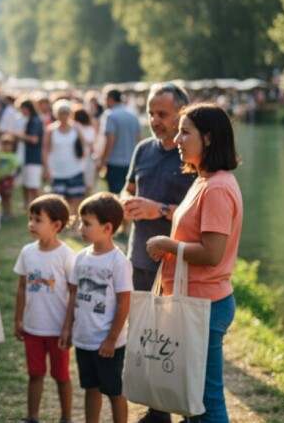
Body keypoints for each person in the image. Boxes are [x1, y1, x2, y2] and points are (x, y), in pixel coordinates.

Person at [146, 103, 242, 423]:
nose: (177, 139)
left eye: (185, 132)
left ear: (209, 138)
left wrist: (167, 245)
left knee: (207, 400)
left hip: (204, 305)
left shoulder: (217, 187)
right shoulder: (204, 180)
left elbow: (212, 254)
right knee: (191, 396)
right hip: (193, 301)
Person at [121, 83, 196, 423]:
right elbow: (127, 188)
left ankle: (190, 411)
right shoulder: (143, 149)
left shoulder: (191, 154)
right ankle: (157, 411)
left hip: (177, 263)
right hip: (139, 257)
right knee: (147, 339)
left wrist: (160, 210)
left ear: (182, 113)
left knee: (178, 339)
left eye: (162, 114)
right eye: (151, 113)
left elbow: (199, 214)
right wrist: (125, 201)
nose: (155, 120)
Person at [60, 192, 133, 423]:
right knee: (90, 388)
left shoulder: (119, 262)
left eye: (87, 223)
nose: (81, 228)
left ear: (107, 228)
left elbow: (124, 302)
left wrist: (111, 339)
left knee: (114, 391)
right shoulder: (81, 258)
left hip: (107, 343)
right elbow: (73, 295)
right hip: (84, 339)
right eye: (81, 222)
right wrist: (67, 328)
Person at [14, 194, 76, 423]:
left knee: (61, 376)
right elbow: (22, 288)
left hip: (57, 330)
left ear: (56, 225)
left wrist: (68, 326)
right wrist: (18, 320)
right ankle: (32, 417)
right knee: (35, 374)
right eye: (30, 218)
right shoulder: (27, 252)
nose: (31, 224)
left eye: (38, 220)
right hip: (33, 328)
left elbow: (74, 293)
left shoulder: (66, 256)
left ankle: (66, 418)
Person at [43, 100, 86, 218]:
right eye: (61, 113)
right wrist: (46, 167)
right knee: (60, 200)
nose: (63, 116)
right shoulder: (51, 130)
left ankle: (74, 222)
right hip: (57, 169)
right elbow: (46, 149)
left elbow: (85, 144)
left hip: (75, 167)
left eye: (66, 113)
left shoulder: (76, 128)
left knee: (75, 199)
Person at [98, 89, 140, 195]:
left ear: (110, 99)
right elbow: (139, 138)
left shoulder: (110, 115)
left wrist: (103, 161)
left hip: (115, 164)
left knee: (116, 196)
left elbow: (110, 141)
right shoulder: (132, 114)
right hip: (131, 162)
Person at [16, 98, 44, 208]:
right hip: (29, 157)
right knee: (28, 184)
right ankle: (29, 205)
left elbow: (34, 139)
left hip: (33, 158)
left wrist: (20, 136)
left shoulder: (35, 121)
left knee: (34, 185)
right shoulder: (31, 120)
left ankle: (39, 206)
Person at [0, 134, 19, 220]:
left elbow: (15, 168)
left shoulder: (12, 156)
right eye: (4, 145)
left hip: (8, 179)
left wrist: (10, 175)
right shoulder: (0, 154)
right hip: (0, 178)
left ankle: (8, 212)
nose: (6, 147)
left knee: (7, 197)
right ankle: (3, 211)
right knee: (1, 195)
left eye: (8, 145)